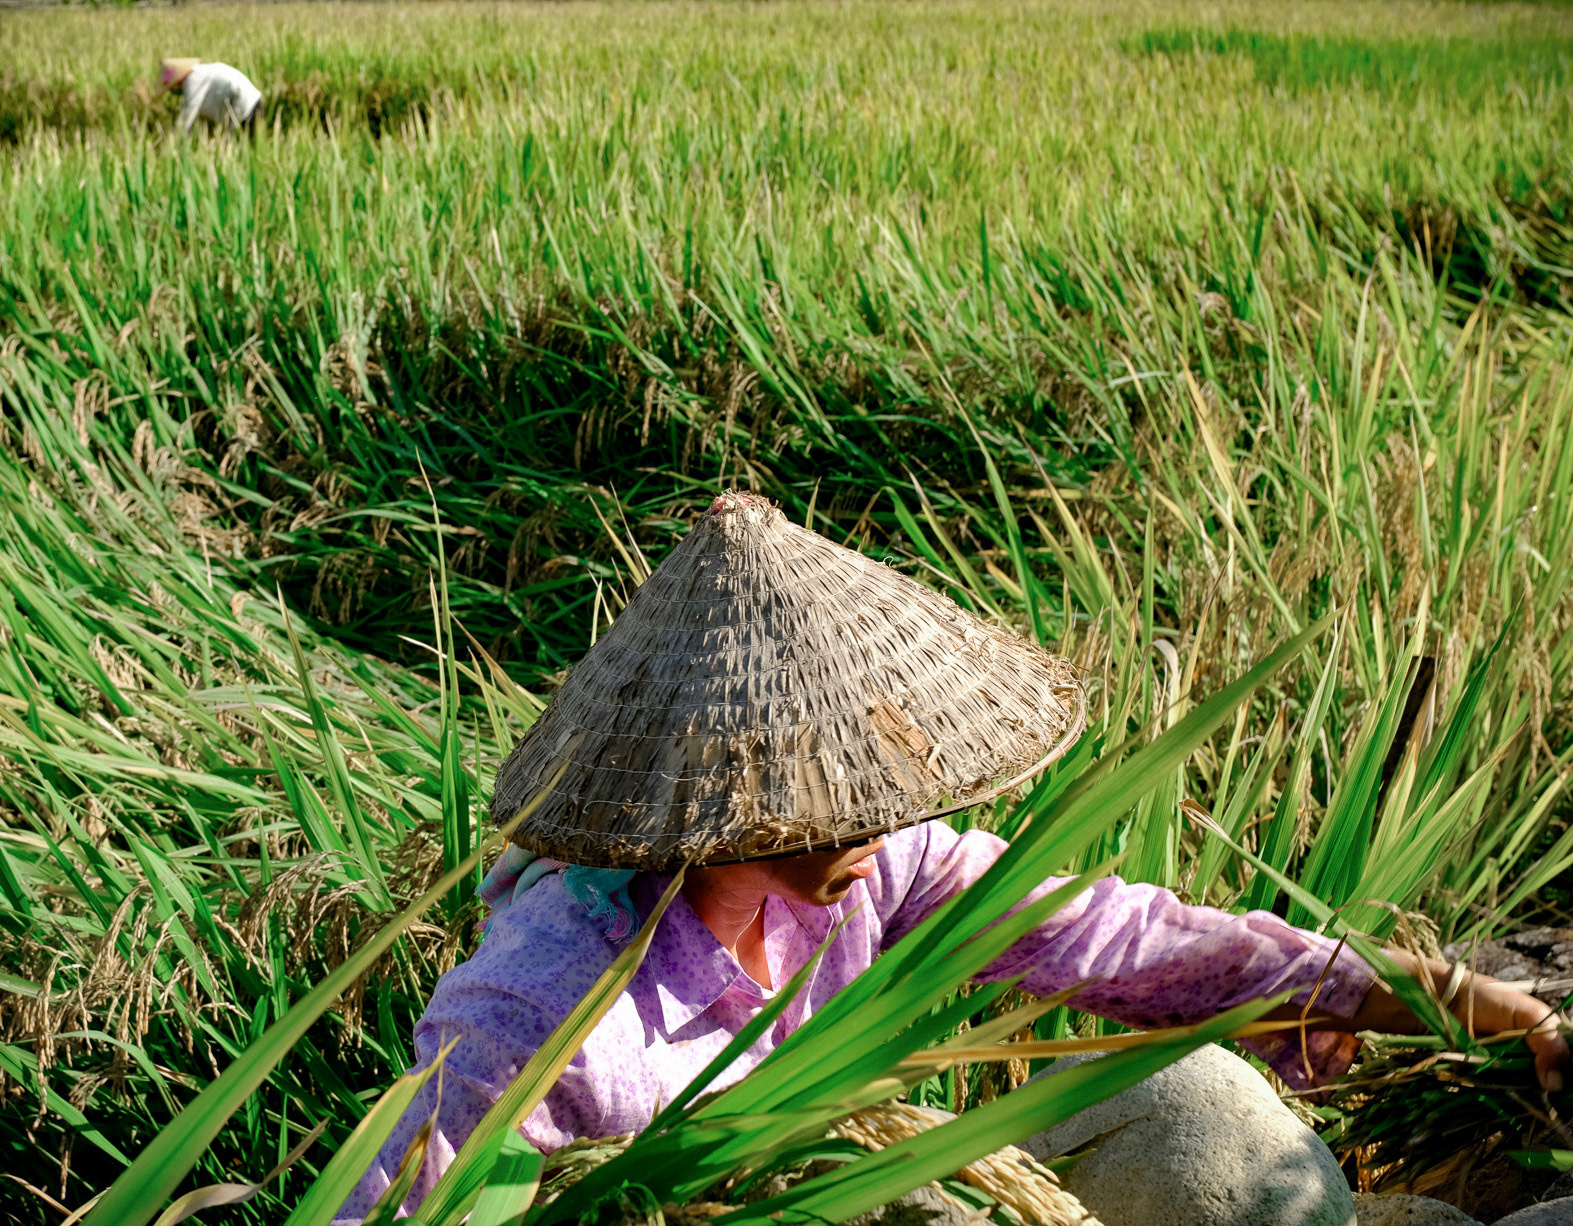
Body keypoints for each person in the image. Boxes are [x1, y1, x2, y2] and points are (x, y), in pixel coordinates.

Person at [336, 492, 1566, 1222]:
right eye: (827, 798)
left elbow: (1119, 937)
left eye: (882, 782)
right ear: (721, 798)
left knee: (1197, 1115)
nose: (874, 821)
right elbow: (397, 1203)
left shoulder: (882, 866)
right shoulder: (547, 1007)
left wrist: (1429, 992)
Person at [159, 58, 263, 135]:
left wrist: (171, 141)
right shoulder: (200, 73)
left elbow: (187, 115)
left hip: (247, 108)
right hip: (251, 102)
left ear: (176, 81)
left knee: (245, 149)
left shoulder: (192, 79)